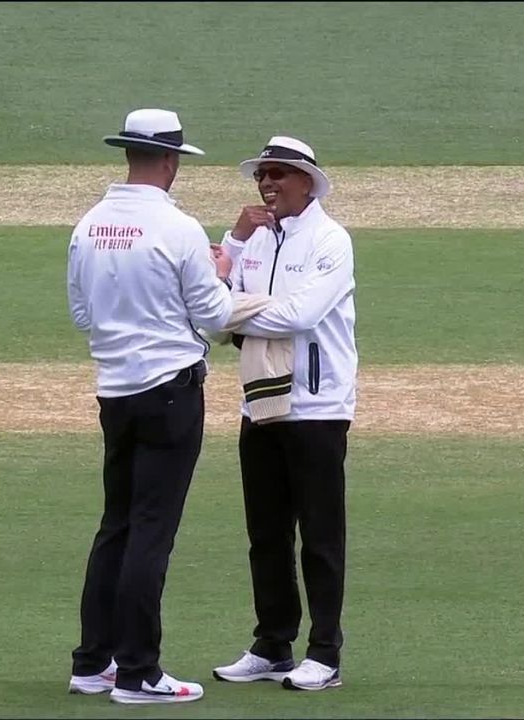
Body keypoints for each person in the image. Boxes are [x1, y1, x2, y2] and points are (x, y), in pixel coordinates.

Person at [65, 108, 233, 705]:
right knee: (151, 533)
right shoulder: (179, 228)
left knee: (117, 525)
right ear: (170, 161)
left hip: (114, 391)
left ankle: (93, 663)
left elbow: (82, 315)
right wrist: (223, 273)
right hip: (169, 390)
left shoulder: (88, 225)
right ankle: (138, 673)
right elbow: (213, 318)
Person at [211, 136, 358, 692]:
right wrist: (233, 240)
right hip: (261, 402)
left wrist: (236, 314)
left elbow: (301, 315)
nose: (267, 184)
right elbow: (209, 305)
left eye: (278, 174)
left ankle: (324, 652)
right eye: (261, 176)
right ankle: (273, 643)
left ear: (307, 181)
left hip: (318, 407)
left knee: (320, 535)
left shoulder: (330, 239)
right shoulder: (253, 241)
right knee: (266, 533)